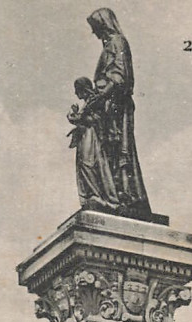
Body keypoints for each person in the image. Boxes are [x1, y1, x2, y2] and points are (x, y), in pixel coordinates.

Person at [85, 8, 152, 219]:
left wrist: (102, 94)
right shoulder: (111, 45)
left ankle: (127, 196)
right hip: (108, 108)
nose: (94, 34)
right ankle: (115, 195)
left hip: (116, 107)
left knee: (118, 151)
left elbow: (120, 76)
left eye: (96, 29)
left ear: (104, 25)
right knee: (109, 152)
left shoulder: (117, 42)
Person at [68, 76, 120, 213]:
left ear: (83, 89)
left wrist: (74, 116)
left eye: (76, 89)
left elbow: (97, 118)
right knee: (84, 164)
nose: (75, 93)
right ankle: (92, 194)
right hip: (85, 135)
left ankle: (97, 195)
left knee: (88, 163)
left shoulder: (95, 100)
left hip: (93, 136)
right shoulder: (88, 102)